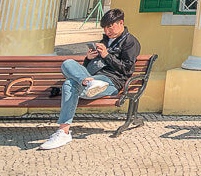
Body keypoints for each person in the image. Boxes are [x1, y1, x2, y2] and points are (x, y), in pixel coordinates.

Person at [39, 8, 141, 150]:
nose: (107, 31)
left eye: (110, 26)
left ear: (120, 23)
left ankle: (63, 132)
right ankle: (88, 83)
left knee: (69, 83)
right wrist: (88, 59)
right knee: (67, 63)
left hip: (111, 82)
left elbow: (127, 70)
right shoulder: (104, 41)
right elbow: (88, 67)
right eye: (105, 28)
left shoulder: (130, 42)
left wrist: (107, 56)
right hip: (93, 79)